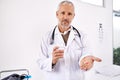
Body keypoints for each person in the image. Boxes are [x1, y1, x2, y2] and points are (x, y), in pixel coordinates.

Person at [37, 1, 102, 80]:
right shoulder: (47, 37)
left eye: (69, 14)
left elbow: (87, 54)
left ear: (73, 16)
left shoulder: (82, 36)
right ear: (57, 14)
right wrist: (52, 61)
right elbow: (40, 62)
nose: (65, 17)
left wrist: (86, 61)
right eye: (63, 13)